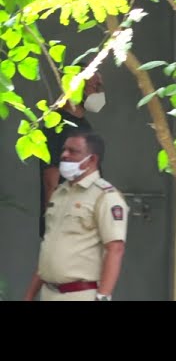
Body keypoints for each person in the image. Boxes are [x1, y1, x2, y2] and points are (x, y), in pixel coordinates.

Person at [24, 130, 128, 301]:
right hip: (48, 292)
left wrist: (102, 297)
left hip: (80, 294)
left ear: (92, 159)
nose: (65, 155)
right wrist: (29, 296)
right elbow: (50, 247)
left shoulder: (105, 196)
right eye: (64, 150)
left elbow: (115, 249)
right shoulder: (60, 193)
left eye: (73, 151)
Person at [39, 69, 106, 239]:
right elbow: (50, 180)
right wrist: (53, 228)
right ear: (78, 86)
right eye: (95, 86)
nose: (99, 92)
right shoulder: (56, 125)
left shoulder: (84, 125)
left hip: (83, 220)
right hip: (65, 224)